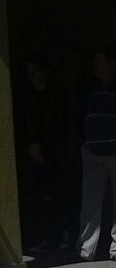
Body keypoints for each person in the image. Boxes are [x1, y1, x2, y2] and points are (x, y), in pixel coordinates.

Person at [76, 48, 116, 261]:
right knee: (90, 204)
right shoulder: (89, 88)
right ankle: (86, 250)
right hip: (92, 152)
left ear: (111, 64)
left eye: (99, 61)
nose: (95, 66)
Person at [16, 55, 63, 252]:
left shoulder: (56, 97)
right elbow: (21, 125)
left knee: (53, 197)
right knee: (35, 197)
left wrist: (44, 148)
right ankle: (38, 237)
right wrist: (30, 146)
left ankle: (55, 237)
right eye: (30, 73)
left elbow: (59, 126)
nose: (33, 76)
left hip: (52, 154)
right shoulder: (26, 98)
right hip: (31, 154)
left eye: (36, 72)